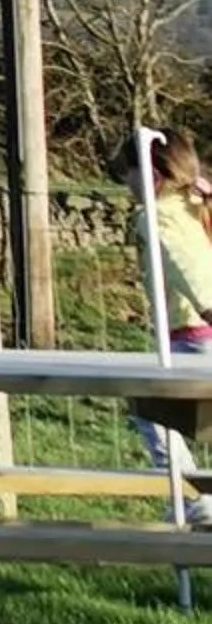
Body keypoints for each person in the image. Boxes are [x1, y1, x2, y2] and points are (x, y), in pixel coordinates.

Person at [118, 127, 212, 525]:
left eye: (129, 173)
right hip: (195, 333)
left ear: (152, 175)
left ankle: (192, 497)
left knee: (151, 410)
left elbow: (182, 263)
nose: (125, 183)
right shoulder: (194, 205)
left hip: (192, 335)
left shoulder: (156, 217)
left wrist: (209, 307)